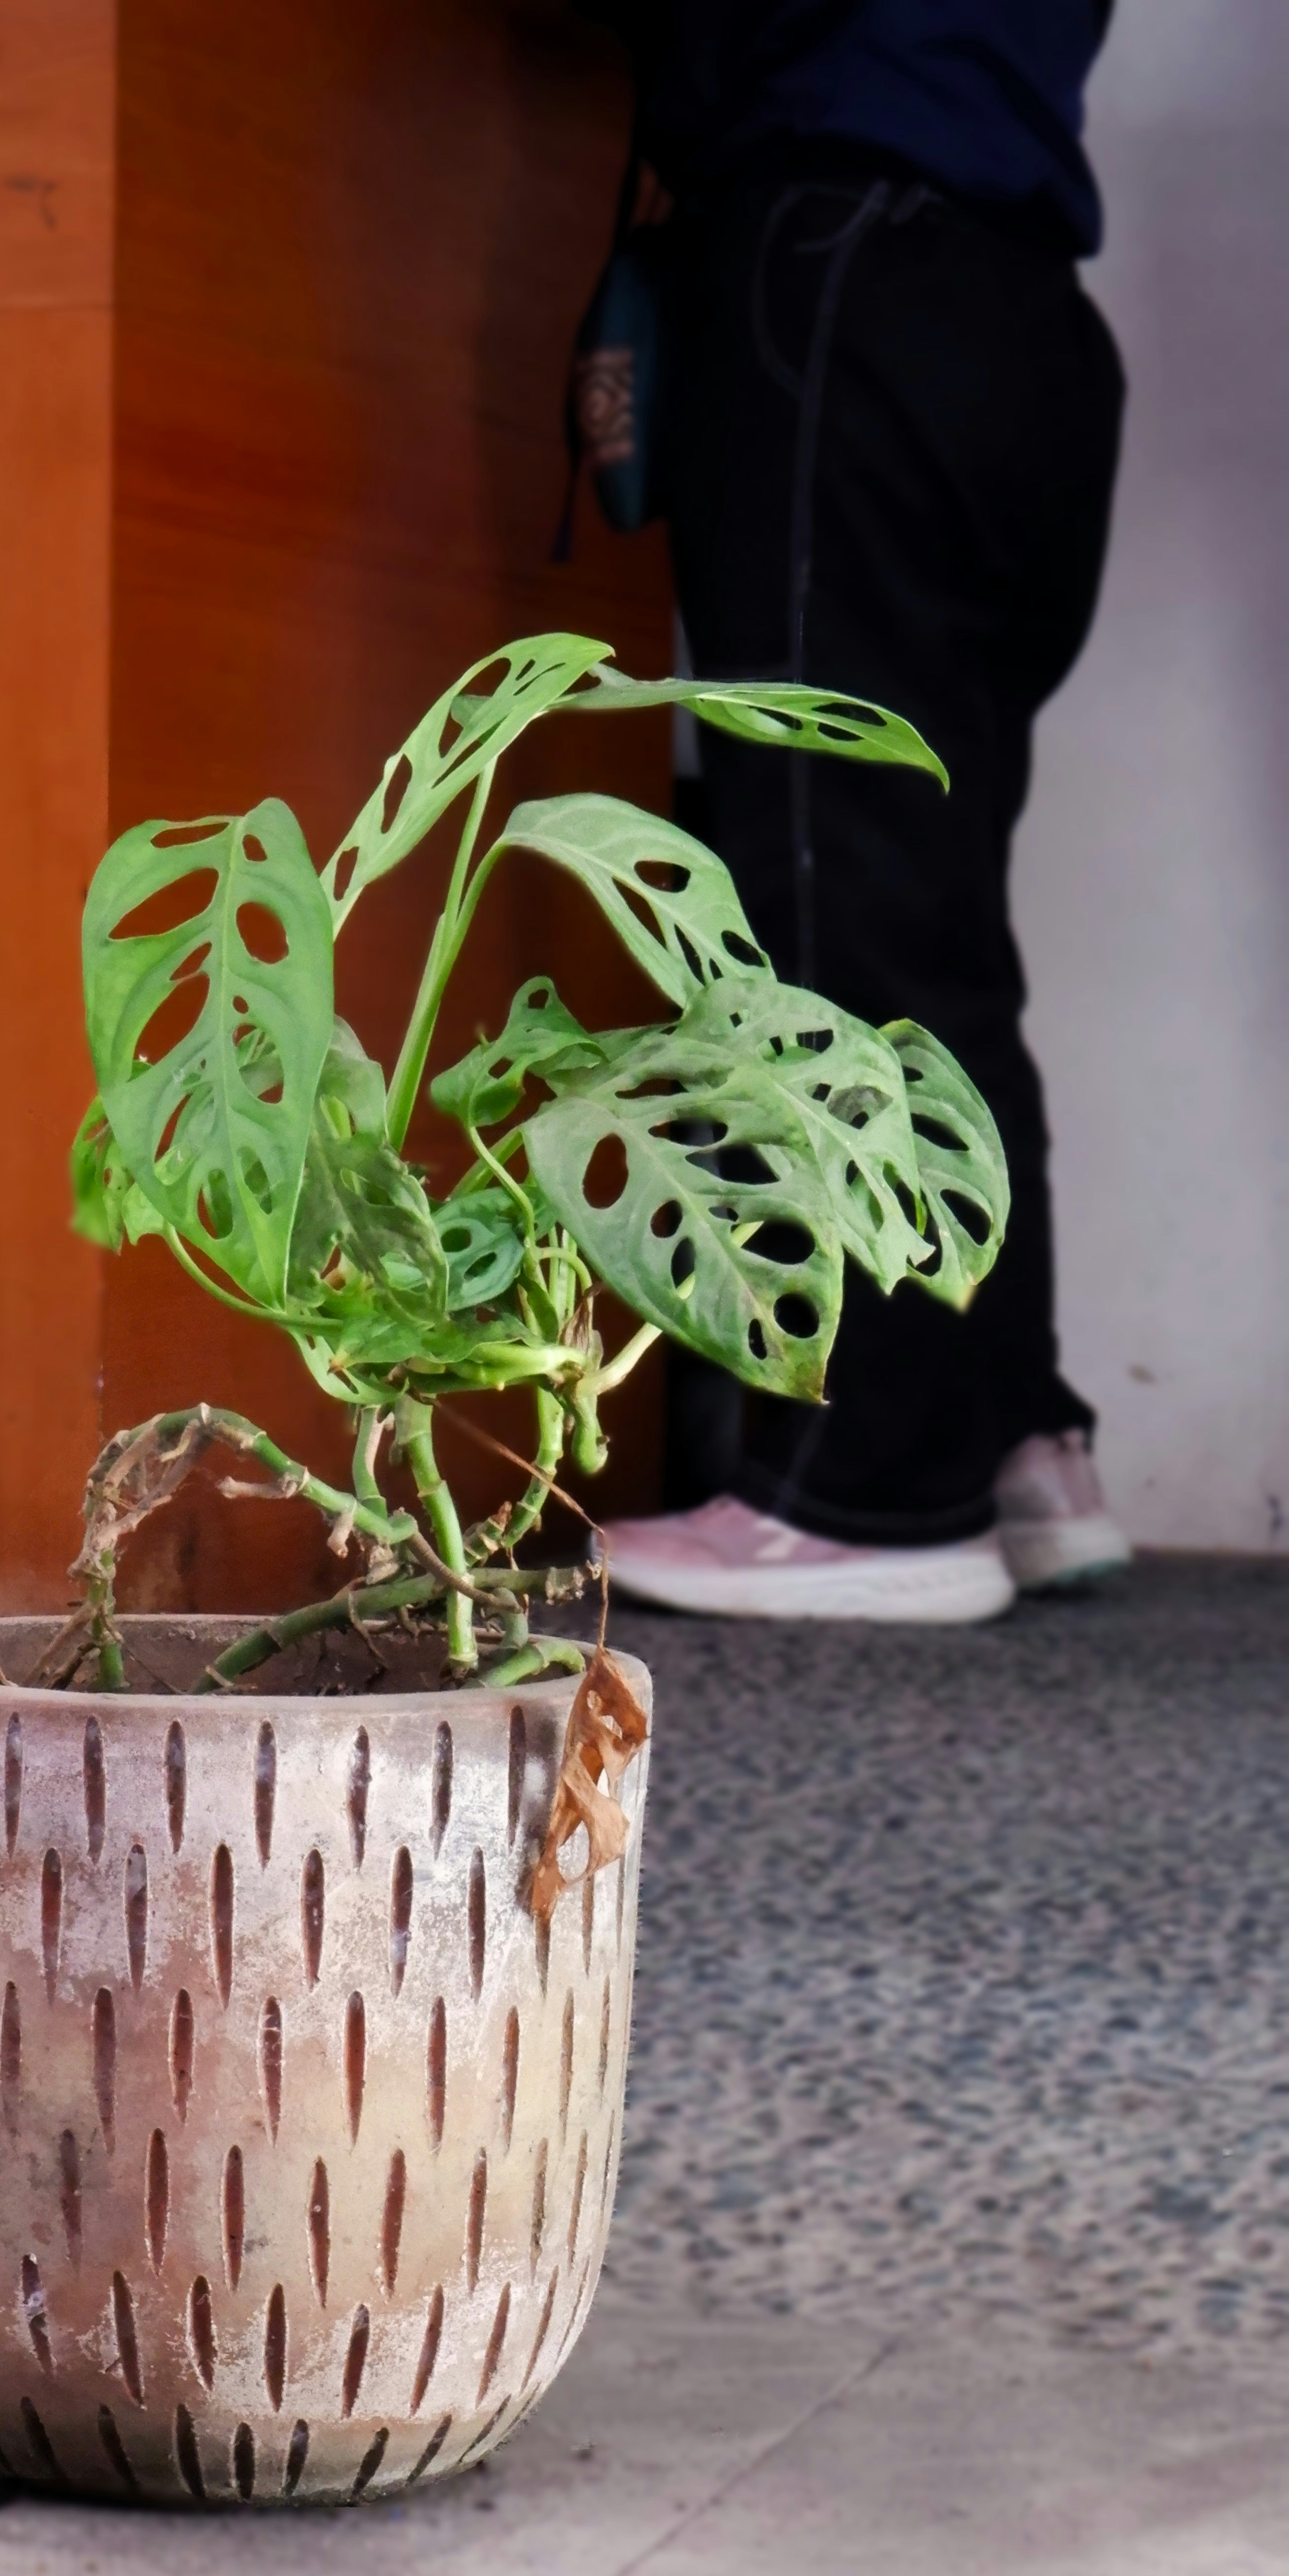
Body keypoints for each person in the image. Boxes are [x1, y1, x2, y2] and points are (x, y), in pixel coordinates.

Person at [591, 1, 1131, 1624]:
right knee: (929, 895)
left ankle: (877, 1495)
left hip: (852, 263)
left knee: (841, 893)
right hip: (1020, 300)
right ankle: (1012, 1431)